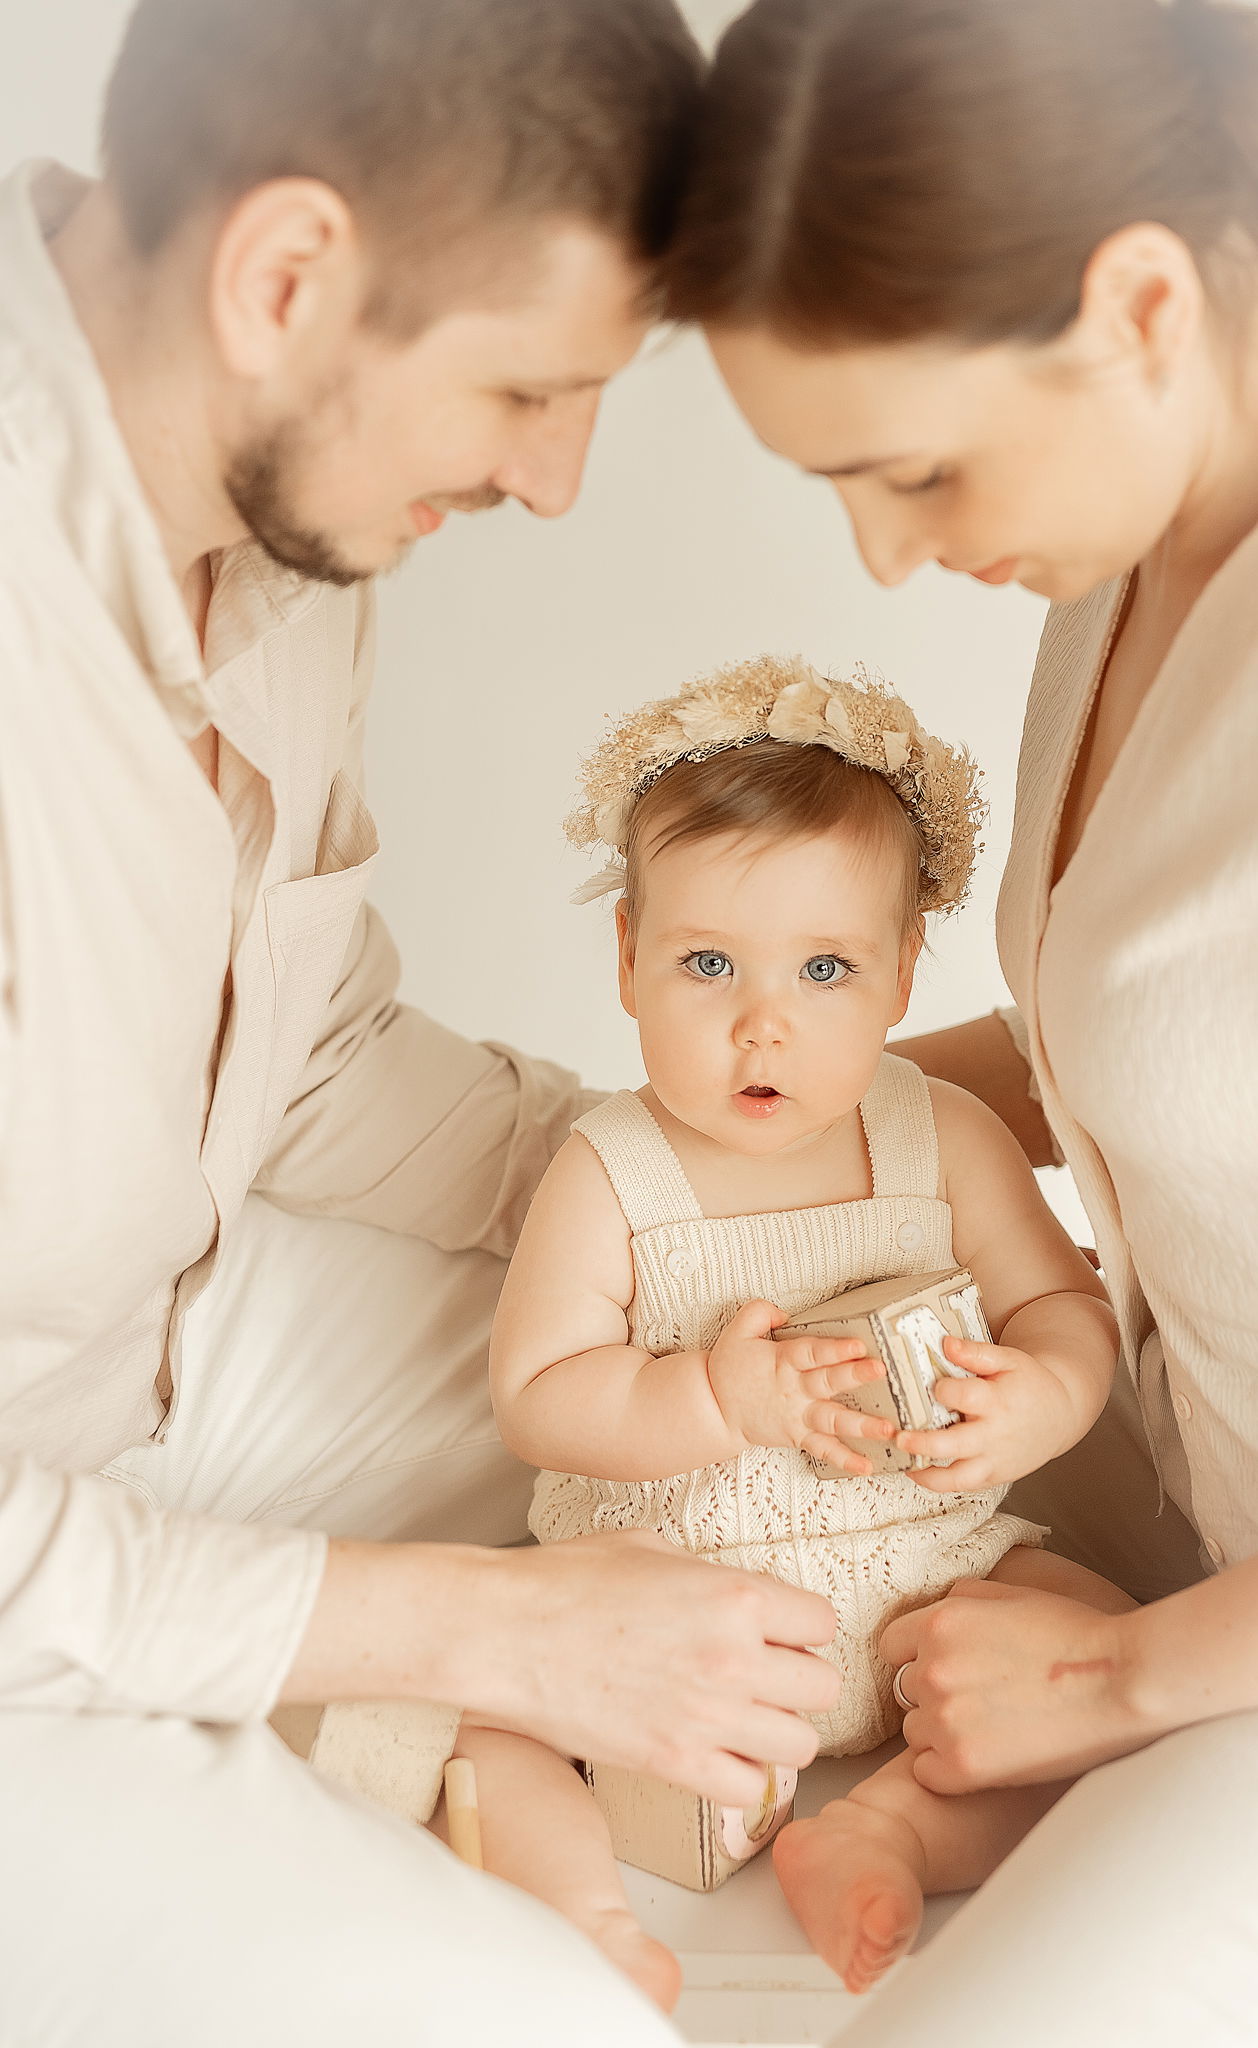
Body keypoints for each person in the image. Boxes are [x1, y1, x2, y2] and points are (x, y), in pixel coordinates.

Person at [0, 6, 839, 2044]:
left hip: (146, 1370)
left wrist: (736, 1182)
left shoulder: (269, 546)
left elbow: (302, 1055)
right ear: (287, 275)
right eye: (531, 390)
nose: (550, 484)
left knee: (815, 1463)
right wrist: (497, 1629)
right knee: (538, 2024)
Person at [664, 1, 1258, 2042]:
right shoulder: (1146, 529)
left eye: (912, 467)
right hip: (1230, 1517)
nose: (887, 553)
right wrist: (746, 1127)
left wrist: (1123, 1679)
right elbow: (1174, 1043)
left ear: (1135, 301)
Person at [460, 654, 1132, 2006]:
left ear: (897, 977)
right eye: (707, 962)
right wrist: (715, 1400)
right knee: (477, 1715)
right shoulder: (610, 1170)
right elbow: (536, 1392)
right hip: (678, 1603)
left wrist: (1040, 1396)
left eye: (823, 967)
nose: (761, 1021)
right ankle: (587, 1914)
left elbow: (1061, 1301)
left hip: (926, 1579)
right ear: (627, 965)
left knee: (1112, 1666)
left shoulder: (942, 1131)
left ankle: (886, 1831)